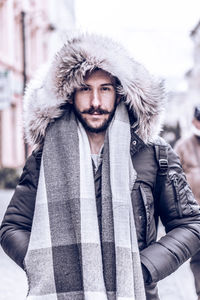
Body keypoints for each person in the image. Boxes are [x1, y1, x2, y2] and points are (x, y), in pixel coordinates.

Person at [0, 33, 200, 300]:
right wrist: (47, 265)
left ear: (119, 94)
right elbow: (12, 226)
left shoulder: (154, 153)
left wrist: (143, 268)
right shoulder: (45, 155)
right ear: (70, 95)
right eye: (85, 88)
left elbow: (190, 224)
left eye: (104, 88)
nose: (95, 102)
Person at [174, 105, 200, 300]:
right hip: (196, 215)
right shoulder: (183, 146)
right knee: (199, 259)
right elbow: (173, 180)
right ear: (194, 122)